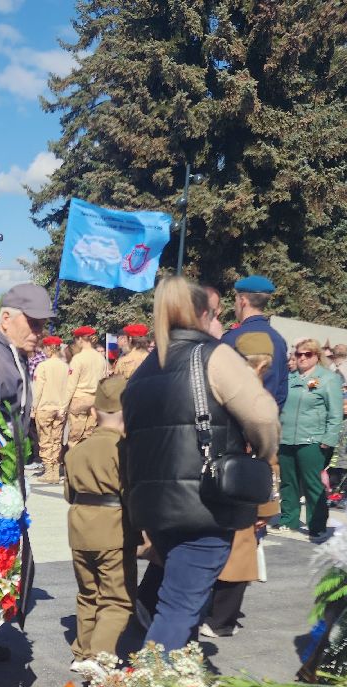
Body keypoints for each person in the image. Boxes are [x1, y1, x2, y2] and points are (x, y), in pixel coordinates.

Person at [122, 277, 279, 653]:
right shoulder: (213, 355)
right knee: (180, 606)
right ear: (205, 314)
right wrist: (261, 454)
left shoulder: (145, 367)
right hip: (206, 502)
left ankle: (177, 683)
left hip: (155, 504)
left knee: (176, 597)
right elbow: (263, 416)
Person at [0, 282, 53, 667]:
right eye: (33, 324)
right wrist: (2, 487)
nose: (40, 333)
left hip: (1, 480)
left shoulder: (7, 351)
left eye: (43, 325)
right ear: (6, 318)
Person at [202, 349, 280, 638]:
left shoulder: (213, 383)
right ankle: (220, 619)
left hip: (213, 473)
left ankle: (218, 618)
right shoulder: (253, 395)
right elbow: (269, 456)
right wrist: (267, 510)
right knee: (239, 551)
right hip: (241, 478)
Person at [64, 375, 133, 663]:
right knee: (116, 599)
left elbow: (69, 494)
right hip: (113, 529)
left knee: (88, 593)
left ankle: (81, 651)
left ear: (94, 412)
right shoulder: (125, 448)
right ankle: (98, 658)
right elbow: (130, 492)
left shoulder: (76, 450)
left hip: (79, 529)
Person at [278, 338, 343, 539]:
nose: (303, 358)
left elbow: (335, 413)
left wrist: (329, 439)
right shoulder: (289, 378)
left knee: (313, 484)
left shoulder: (329, 379)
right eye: (299, 354)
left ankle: (317, 525)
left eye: (308, 354)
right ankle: (289, 519)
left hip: (312, 439)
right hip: (286, 438)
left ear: (317, 356)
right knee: (288, 482)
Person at [221, 275, 289, 408]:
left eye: (235, 300)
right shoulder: (279, 341)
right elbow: (281, 392)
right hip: (267, 419)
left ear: (242, 301)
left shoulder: (231, 338)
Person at [31, 334, 69, 484]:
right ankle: (55, 469)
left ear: (48, 348)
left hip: (44, 407)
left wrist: (34, 407)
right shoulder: (65, 367)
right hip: (60, 408)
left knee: (45, 440)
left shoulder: (43, 366)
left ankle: (49, 471)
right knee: (56, 440)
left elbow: (38, 389)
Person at [65, 325, 109, 447]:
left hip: (79, 400)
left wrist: (64, 405)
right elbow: (104, 380)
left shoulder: (78, 359)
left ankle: (74, 463)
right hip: (95, 400)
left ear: (80, 339)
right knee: (89, 436)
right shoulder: (100, 358)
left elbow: (71, 385)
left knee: (74, 438)